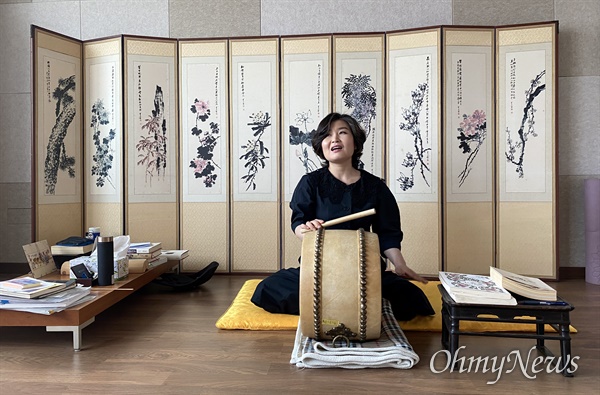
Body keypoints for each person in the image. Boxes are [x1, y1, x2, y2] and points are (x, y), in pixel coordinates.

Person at [251, 112, 434, 321]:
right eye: (327, 135)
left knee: (411, 297)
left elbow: (388, 234)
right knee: (268, 288)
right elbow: (298, 223)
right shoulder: (310, 183)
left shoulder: (376, 187)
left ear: (355, 143)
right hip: (320, 270)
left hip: (364, 273)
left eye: (342, 132)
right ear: (321, 146)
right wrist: (308, 230)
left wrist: (400, 265)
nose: (335, 139)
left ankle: (334, 304)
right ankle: (356, 305)